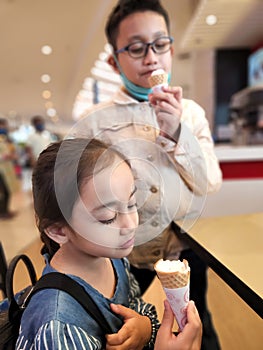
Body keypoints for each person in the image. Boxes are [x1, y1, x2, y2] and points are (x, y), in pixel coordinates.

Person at [75, 1, 222, 349]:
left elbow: (209, 182)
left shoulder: (192, 113)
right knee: (121, 324)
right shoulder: (96, 123)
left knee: (197, 321)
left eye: (160, 44)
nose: (152, 57)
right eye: (137, 48)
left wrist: (177, 133)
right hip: (125, 251)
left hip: (186, 245)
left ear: (171, 48)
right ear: (114, 60)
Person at [16, 137, 201, 350]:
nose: (131, 224)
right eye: (108, 217)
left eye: (132, 204)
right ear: (59, 230)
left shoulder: (114, 260)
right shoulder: (58, 326)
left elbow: (136, 306)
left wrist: (145, 328)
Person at [0, 118, 19, 219]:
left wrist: (12, 155)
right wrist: (4, 156)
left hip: (7, 169)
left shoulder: (4, 139)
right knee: (3, 191)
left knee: (8, 191)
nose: (3, 128)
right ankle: (2, 212)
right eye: (2, 126)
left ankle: (5, 210)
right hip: (1, 170)